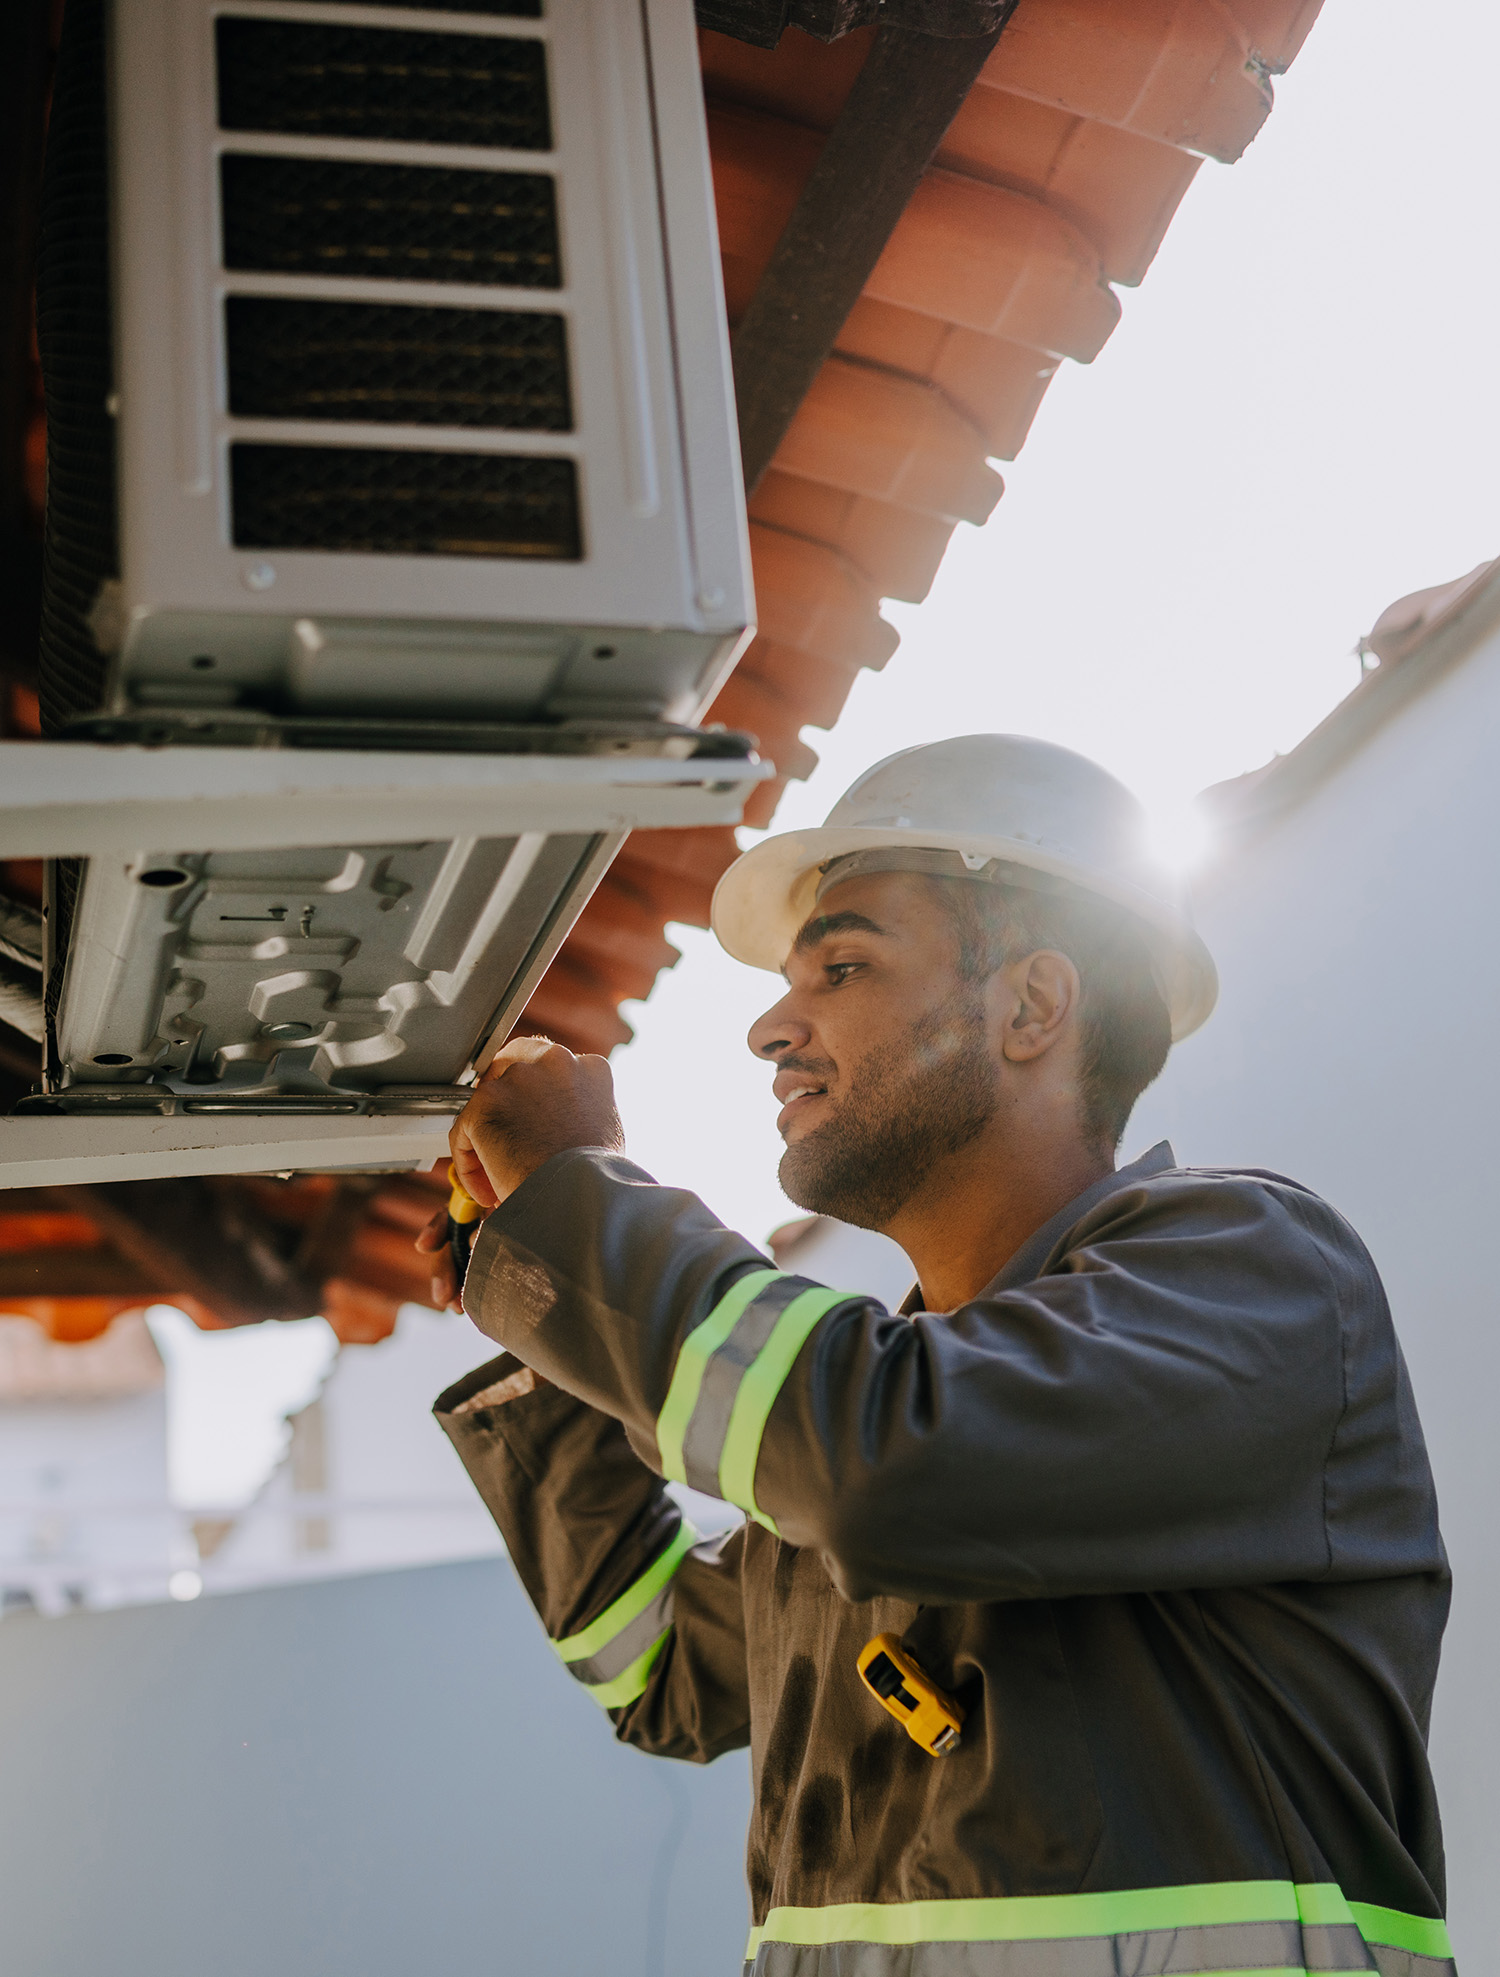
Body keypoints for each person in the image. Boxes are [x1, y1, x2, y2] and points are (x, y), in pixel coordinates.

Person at [419, 735, 1454, 1977]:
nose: (769, 1027)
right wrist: (548, 1334)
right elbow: (658, 1669)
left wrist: (587, 1207)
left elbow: (887, 1461)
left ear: (1031, 1007)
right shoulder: (891, 1406)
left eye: (841, 965)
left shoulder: (1255, 1271)